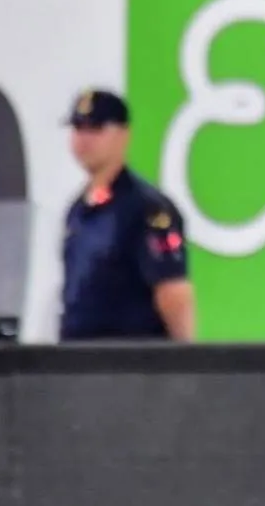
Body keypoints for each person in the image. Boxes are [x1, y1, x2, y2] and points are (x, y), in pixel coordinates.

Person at [60, 90, 195, 342]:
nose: (84, 139)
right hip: (80, 357)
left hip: (131, 357)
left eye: (96, 129)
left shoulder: (147, 208)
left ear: (123, 135)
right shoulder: (78, 209)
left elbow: (172, 290)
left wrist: (184, 357)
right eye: (78, 129)